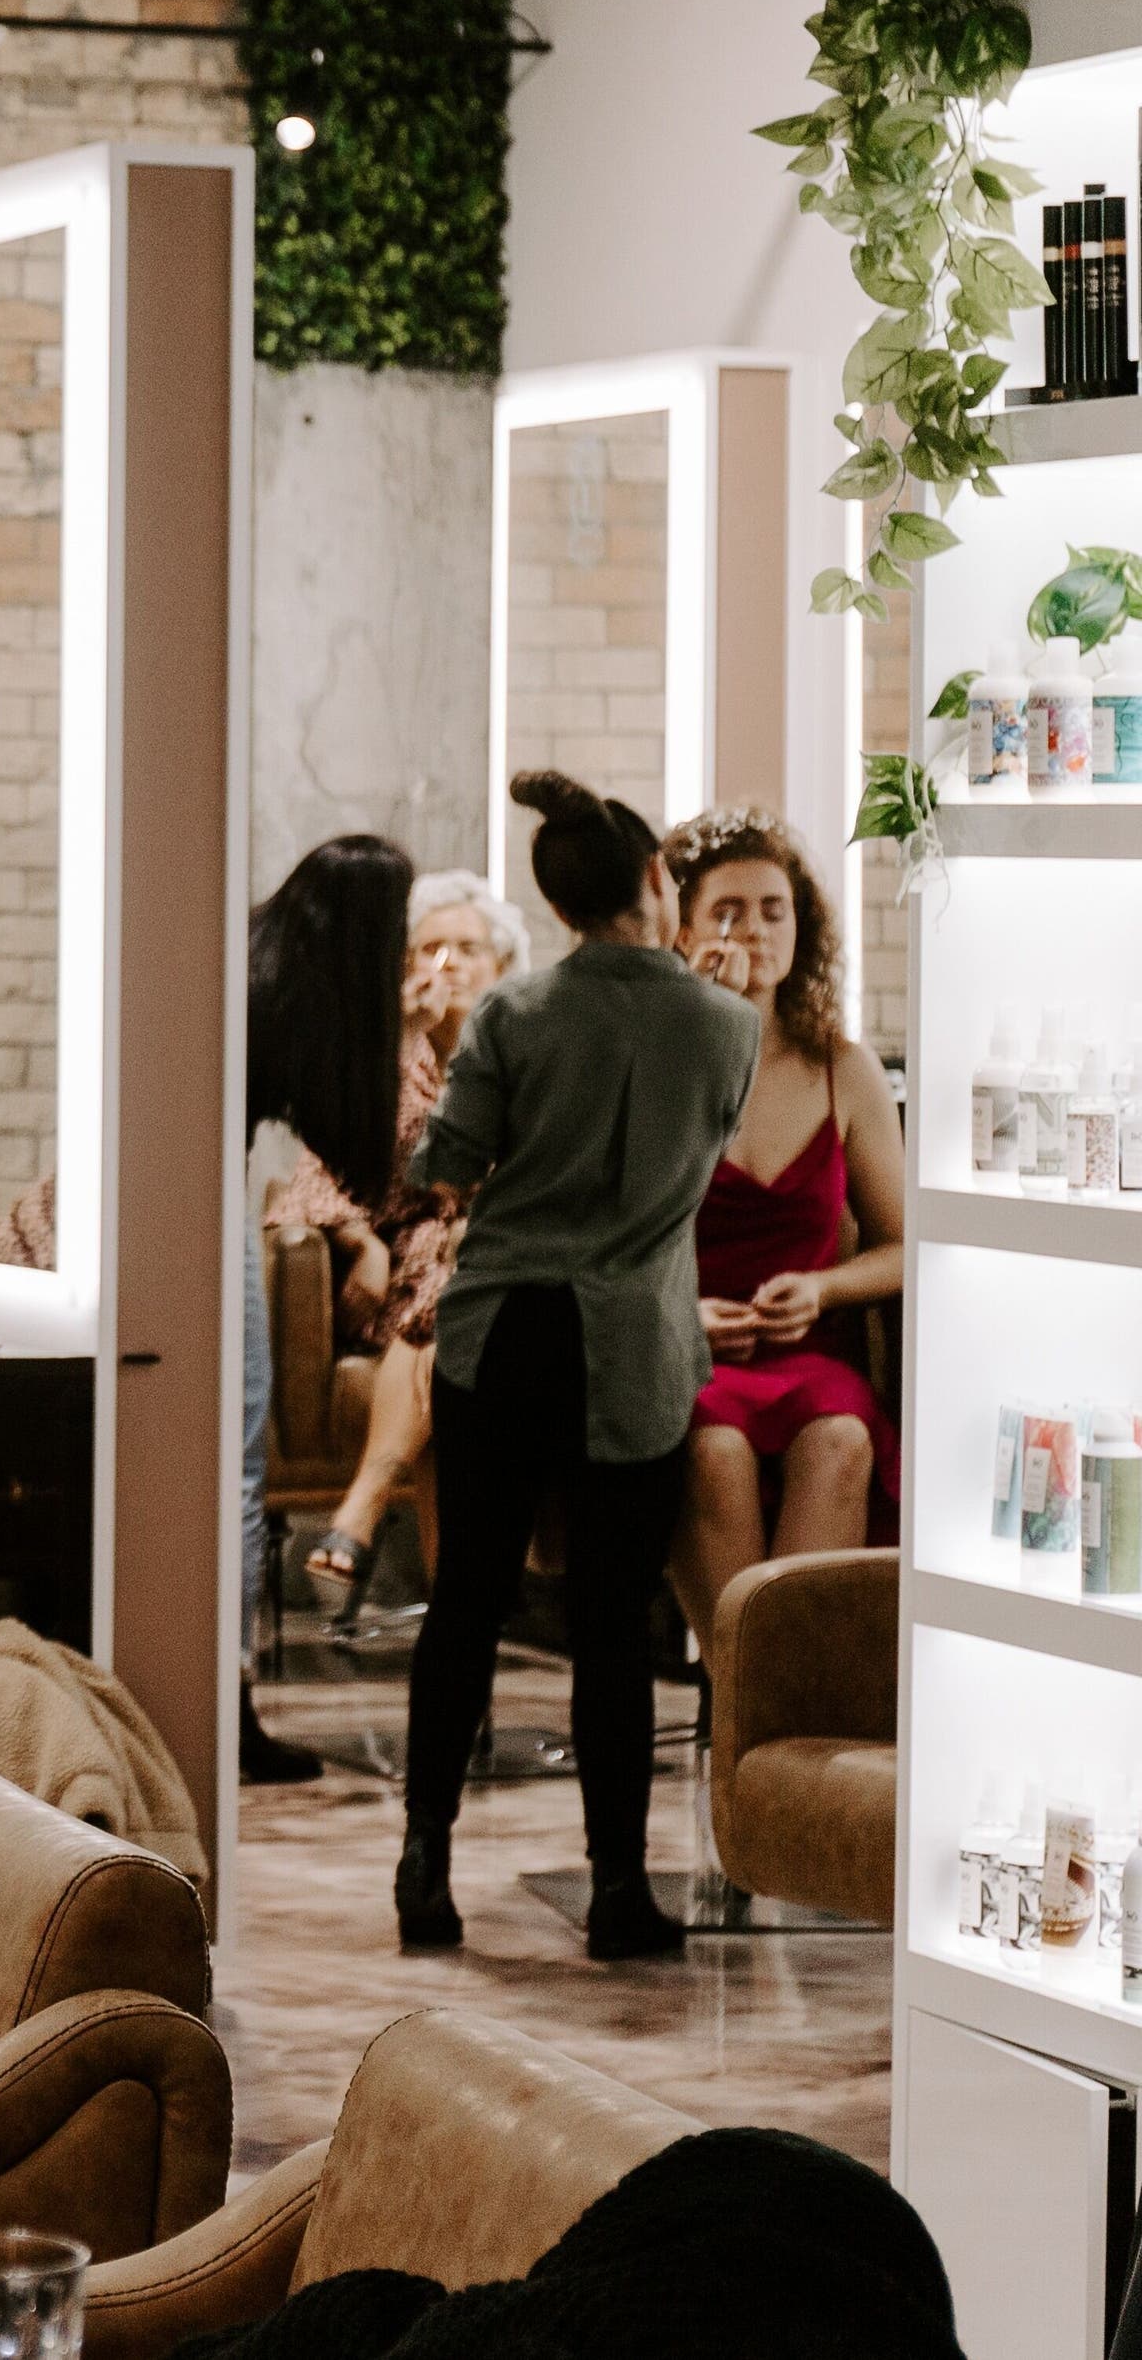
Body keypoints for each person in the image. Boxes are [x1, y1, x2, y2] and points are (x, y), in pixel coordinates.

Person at [398, 771, 757, 1963]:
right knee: (614, 1618)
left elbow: (446, 1163)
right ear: (656, 881)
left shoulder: (513, 1015)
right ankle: (617, 1891)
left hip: (504, 1332)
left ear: (557, 901)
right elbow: (705, 1152)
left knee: (469, 1602)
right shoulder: (726, 1026)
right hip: (634, 1342)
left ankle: (425, 1867)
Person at [660, 808, 904, 1633]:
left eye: (774, 910)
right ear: (683, 929)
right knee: (713, 1453)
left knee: (841, 1438)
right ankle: (745, 1705)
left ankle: (793, 1694)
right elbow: (605, 1238)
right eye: (727, 911)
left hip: (809, 1355)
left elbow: (904, 1246)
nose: (755, 932)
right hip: (684, 1352)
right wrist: (678, 1313)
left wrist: (825, 1288)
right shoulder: (655, 1063)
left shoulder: (845, 1066)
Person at [299, 867, 530, 1612]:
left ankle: (361, 1508)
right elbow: (322, 1171)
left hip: (511, 1272)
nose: (448, 963)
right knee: (447, 1288)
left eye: (467, 947)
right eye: (429, 948)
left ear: (501, 967)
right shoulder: (383, 1063)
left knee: (462, 1290)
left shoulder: (531, 1058)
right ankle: (460, 1625)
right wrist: (361, 1238)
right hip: (403, 1279)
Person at [239, 833, 417, 1786]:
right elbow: (352, 1153)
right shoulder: (300, 1005)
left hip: (165, 1199)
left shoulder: (253, 965)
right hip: (194, 1209)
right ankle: (226, 1699)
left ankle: (225, 1692)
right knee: (235, 1450)